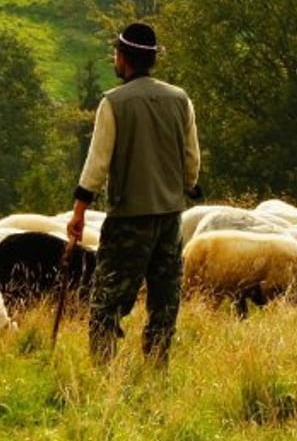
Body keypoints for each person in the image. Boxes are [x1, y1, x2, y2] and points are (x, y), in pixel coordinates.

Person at [66, 22, 201, 365]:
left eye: (116, 52)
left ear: (123, 58)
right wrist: (184, 187)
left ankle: (104, 371)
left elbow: (97, 164)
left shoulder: (114, 103)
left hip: (128, 220)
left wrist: (79, 211)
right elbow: (191, 160)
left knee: (107, 301)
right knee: (164, 302)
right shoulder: (179, 99)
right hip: (170, 218)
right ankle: (156, 368)